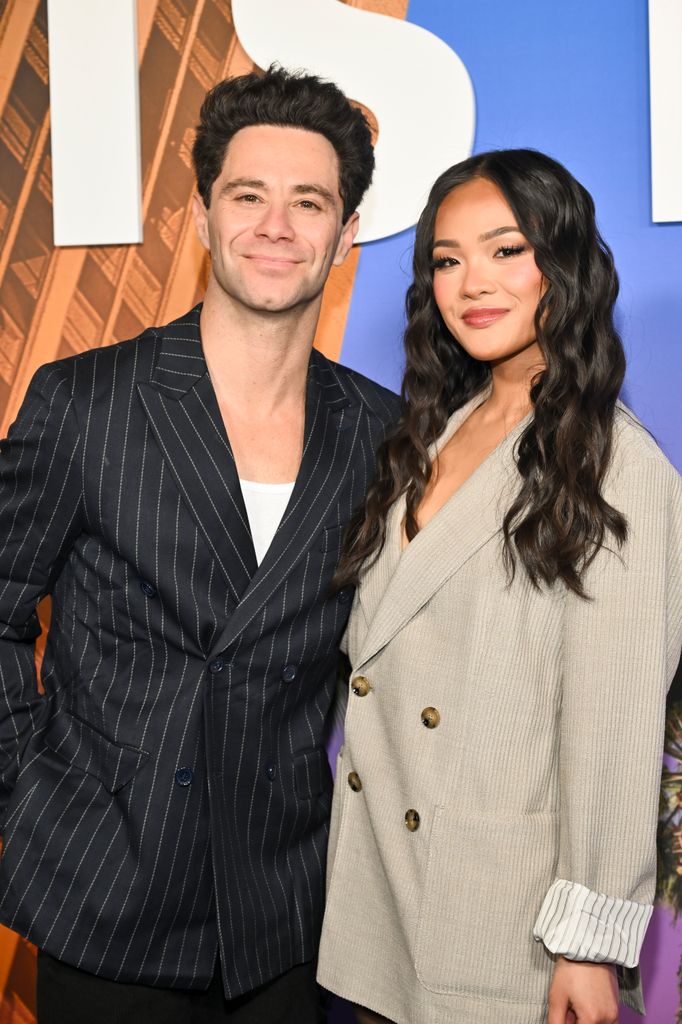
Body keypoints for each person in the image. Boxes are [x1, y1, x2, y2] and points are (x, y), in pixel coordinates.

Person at [0, 67, 398, 1023]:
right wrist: (29, 796)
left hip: (285, 917)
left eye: (309, 202)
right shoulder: (84, 401)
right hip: (104, 894)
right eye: (247, 196)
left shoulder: (383, 433)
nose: (276, 225)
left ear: (345, 237)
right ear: (201, 218)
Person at [317, 149, 682, 1024]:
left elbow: (613, 724)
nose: (471, 282)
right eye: (447, 259)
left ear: (564, 264)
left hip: (500, 923)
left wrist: (587, 945)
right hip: (380, 899)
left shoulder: (614, 466)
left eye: (506, 250)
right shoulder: (436, 433)